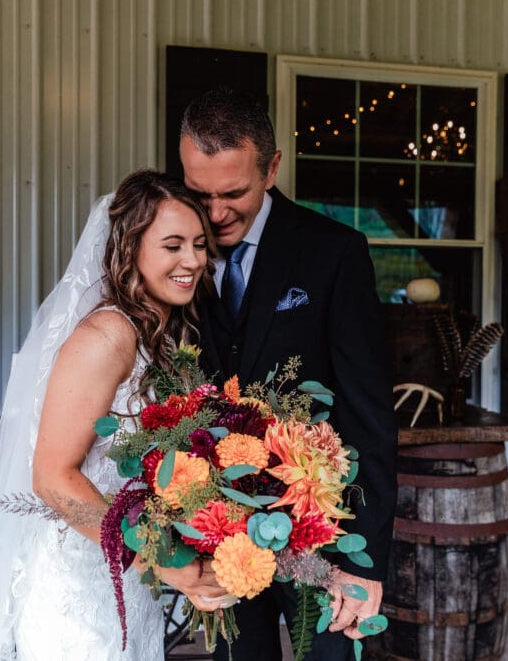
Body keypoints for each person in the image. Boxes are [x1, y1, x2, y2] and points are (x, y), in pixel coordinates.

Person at [0, 169, 231, 661]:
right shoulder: (108, 336)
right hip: (77, 591)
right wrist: (156, 558)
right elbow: (51, 478)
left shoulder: (154, 337)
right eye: (173, 245)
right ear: (130, 248)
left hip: (120, 580)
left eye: (200, 245)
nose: (193, 260)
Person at [180, 88, 398, 661]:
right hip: (217, 532)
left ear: (272, 167)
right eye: (200, 193)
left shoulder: (334, 253)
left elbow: (369, 411)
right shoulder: (171, 257)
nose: (216, 212)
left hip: (323, 531)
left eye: (234, 192)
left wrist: (364, 560)